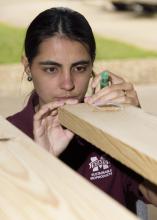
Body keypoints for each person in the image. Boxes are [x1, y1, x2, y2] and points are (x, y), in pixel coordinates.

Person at [7, 7, 157, 213]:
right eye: (51, 69)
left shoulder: (108, 130)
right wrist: (42, 164)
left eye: (79, 68)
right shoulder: (9, 136)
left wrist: (137, 129)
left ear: (92, 67)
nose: (68, 84)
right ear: (27, 66)